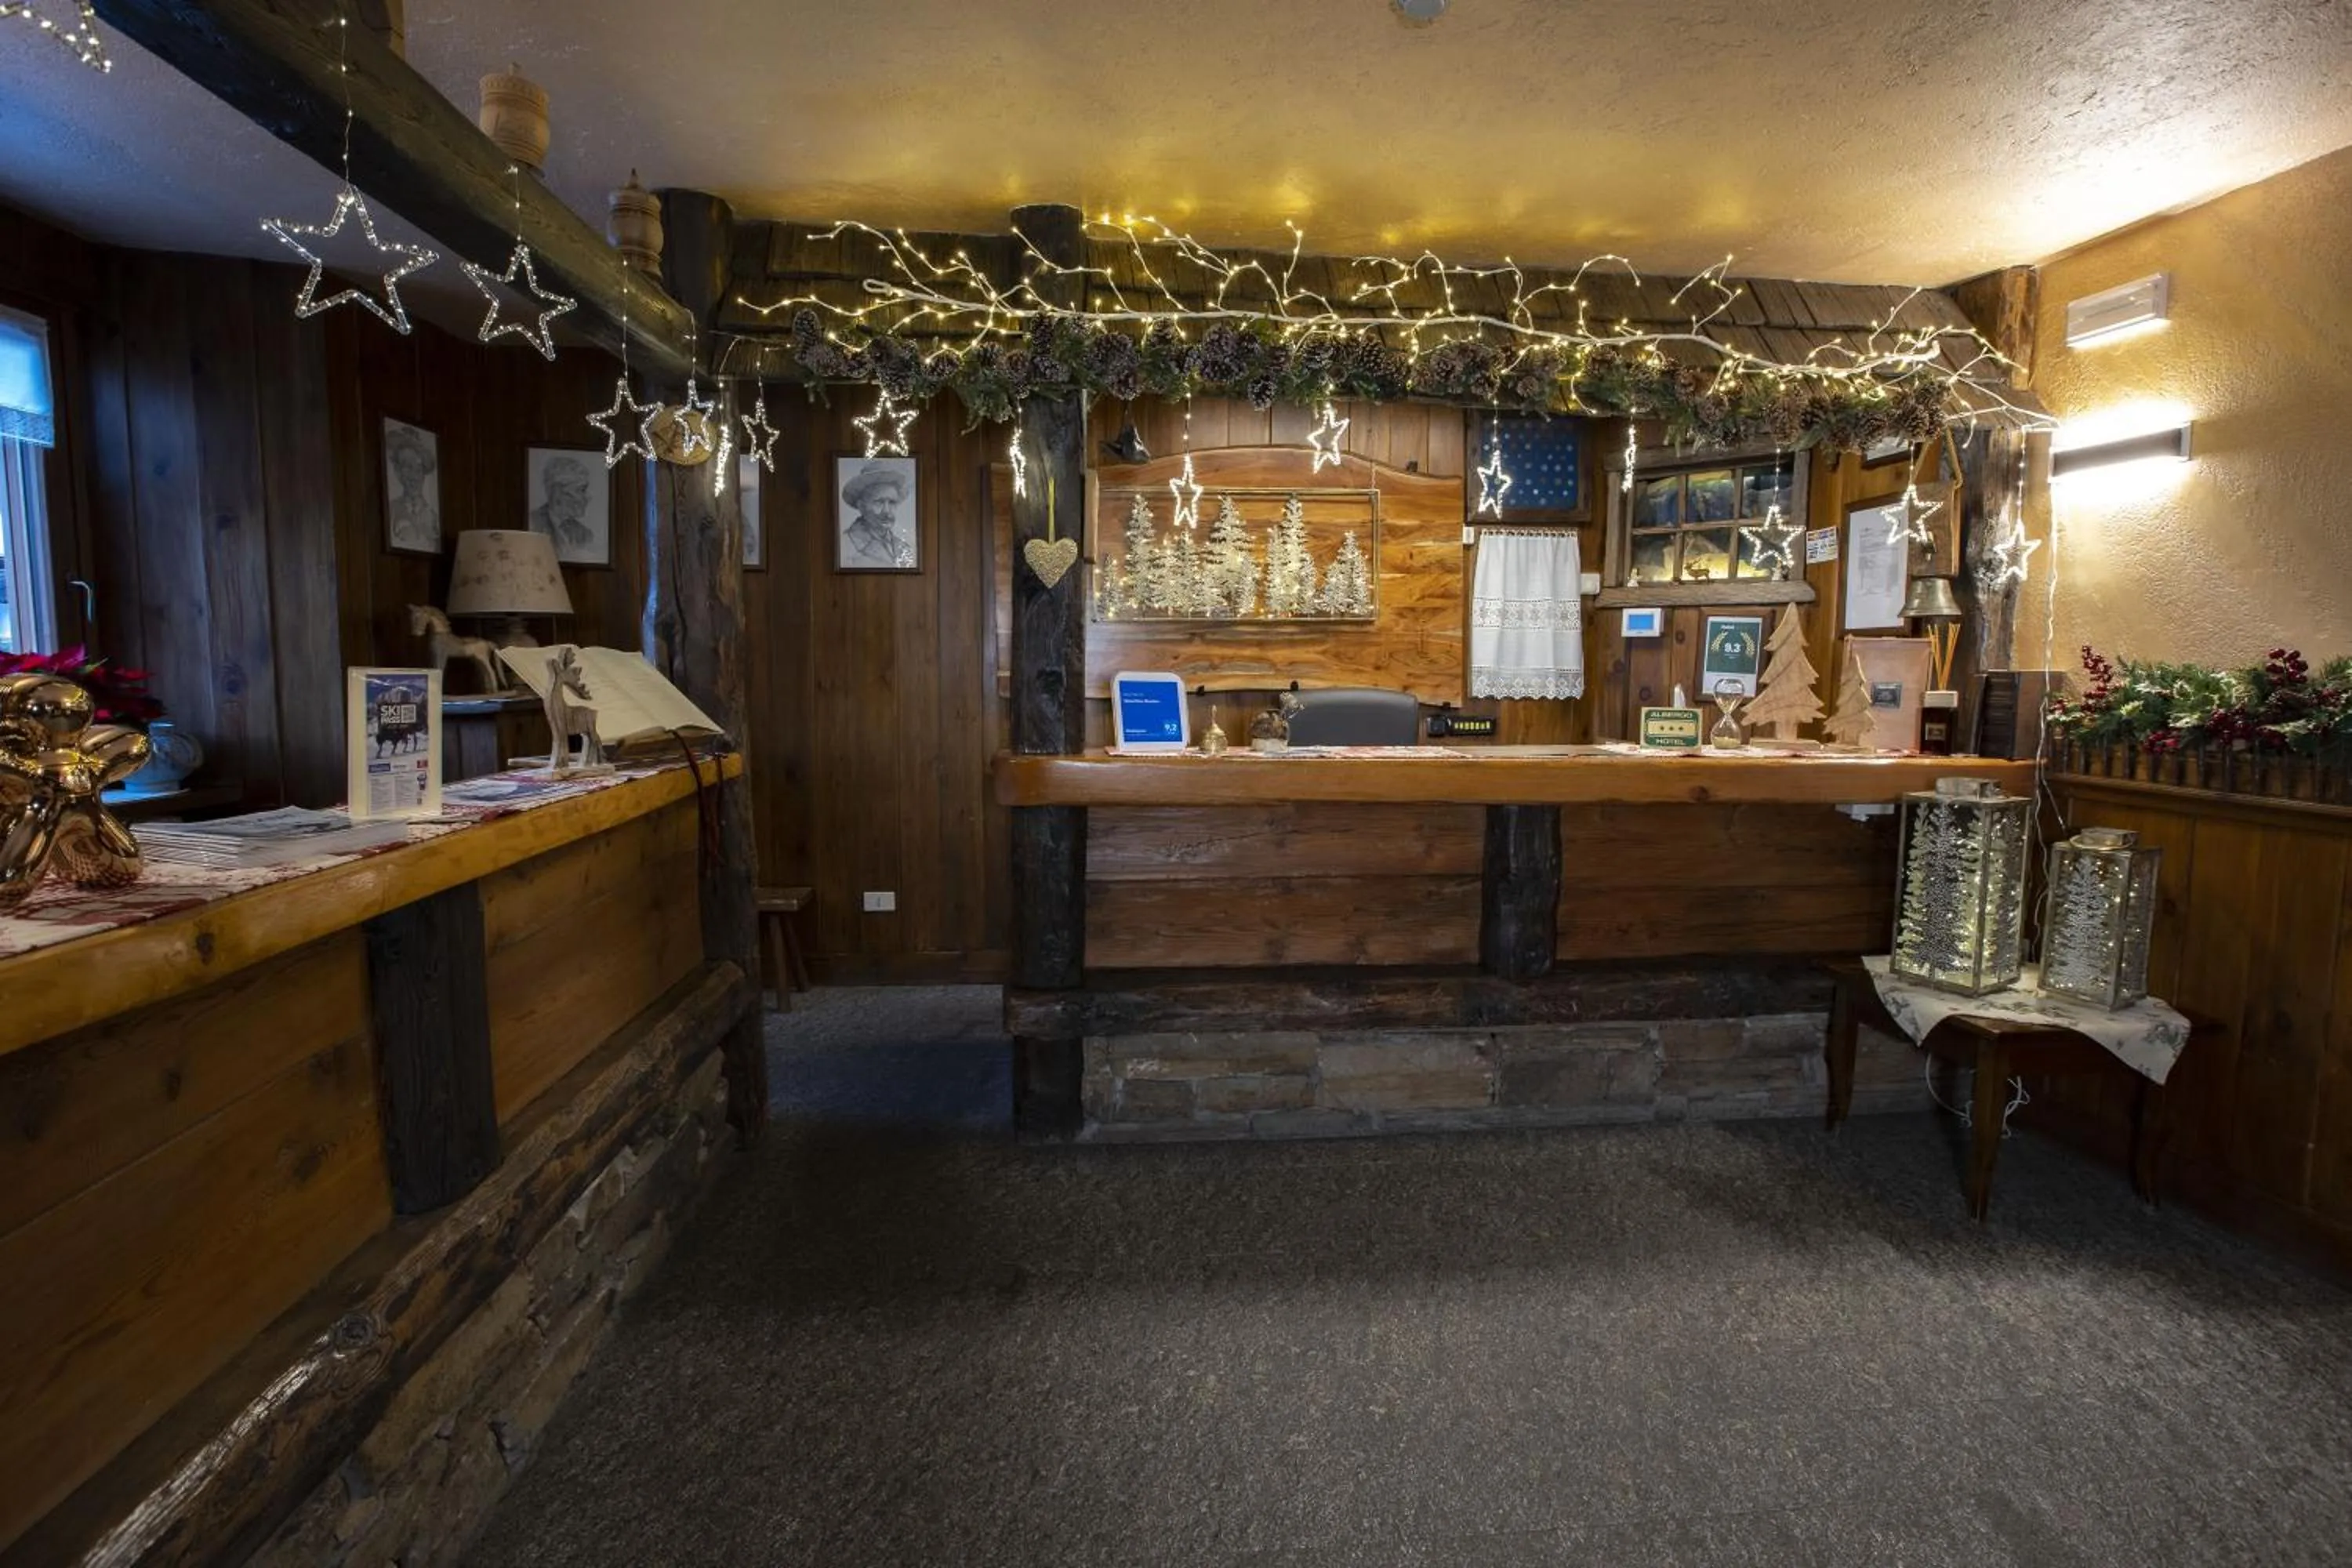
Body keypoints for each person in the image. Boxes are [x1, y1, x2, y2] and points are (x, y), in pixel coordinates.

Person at [839, 461, 913, 568]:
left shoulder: (904, 548)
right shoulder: (844, 545)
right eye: (879, 502)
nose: (887, 511)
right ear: (861, 506)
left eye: (892, 503)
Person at [385, 423, 439, 551]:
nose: (413, 476)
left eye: (418, 468)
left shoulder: (433, 515)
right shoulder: (391, 509)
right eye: (407, 467)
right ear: (398, 471)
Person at [532, 454, 597, 554]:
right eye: (581, 490)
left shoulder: (585, 535)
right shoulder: (532, 524)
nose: (589, 497)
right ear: (558, 492)